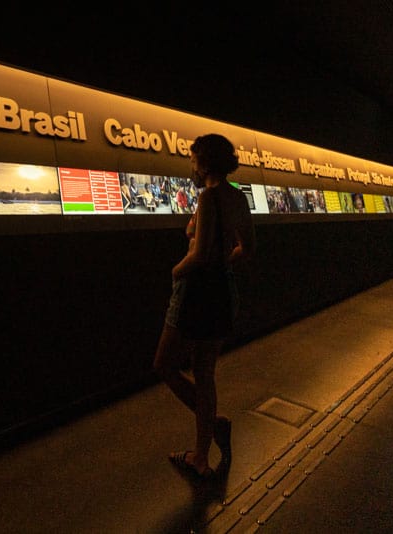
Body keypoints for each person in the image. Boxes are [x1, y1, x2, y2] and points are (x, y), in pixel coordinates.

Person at [153, 133, 256, 478]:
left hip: (196, 292)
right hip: (224, 293)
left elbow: (196, 256)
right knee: (205, 372)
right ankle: (201, 452)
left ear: (206, 161)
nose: (191, 164)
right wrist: (224, 262)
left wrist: (174, 270)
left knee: (164, 364)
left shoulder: (209, 197)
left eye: (193, 158)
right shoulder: (237, 197)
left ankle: (212, 427)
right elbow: (248, 248)